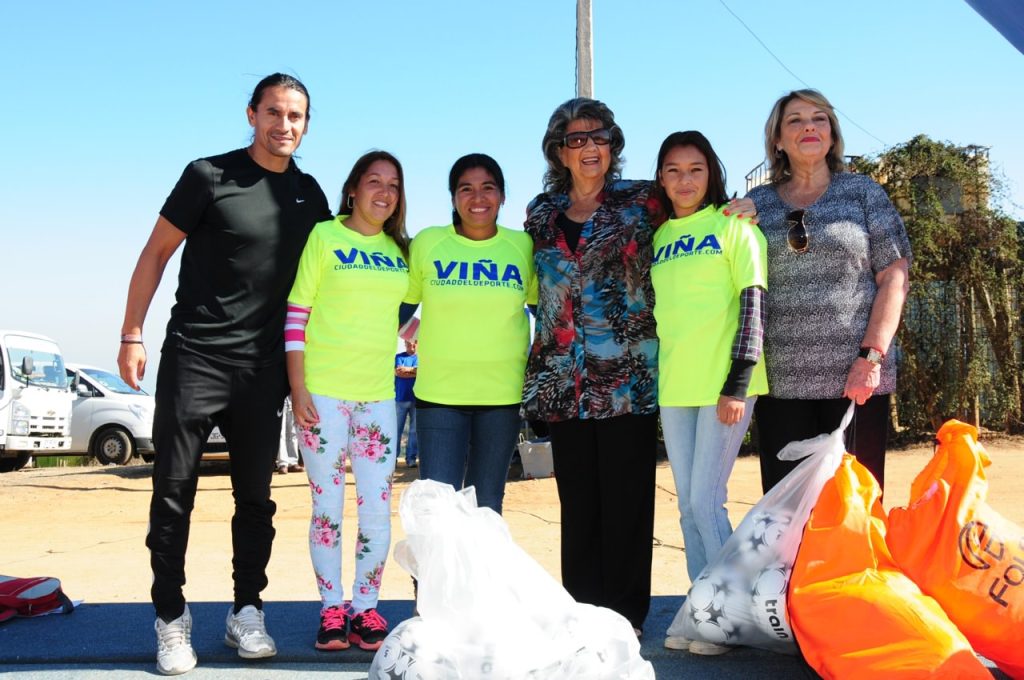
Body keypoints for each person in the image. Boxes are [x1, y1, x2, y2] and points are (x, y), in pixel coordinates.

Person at [117, 73, 330, 675]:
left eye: (295, 116)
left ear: (306, 124)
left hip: (264, 370)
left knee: (256, 500)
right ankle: (170, 617)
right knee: (173, 494)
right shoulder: (208, 175)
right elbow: (155, 253)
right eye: (273, 112)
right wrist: (132, 333)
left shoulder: (310, 194)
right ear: (251, 114)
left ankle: (247, 611)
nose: (284, 125)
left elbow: (329, 279)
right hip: (196, 356)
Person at [522, 98, 661, 637]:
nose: (588, 148)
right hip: (562, 382)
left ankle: (625, 617)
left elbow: (700, 207)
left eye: (598, 137)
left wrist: (738, 208)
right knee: (578, 505)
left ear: (613, 145)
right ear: (558, 151)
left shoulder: (644, 202)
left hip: (627, 378)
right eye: (575, 139)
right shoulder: (540, 212)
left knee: (627, 502)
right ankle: (582, 614)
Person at [747, 89, 911, 494]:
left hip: (856, 380)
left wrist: (871, 357)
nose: (809, 126)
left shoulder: (863, 193)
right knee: (786, 516)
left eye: (819, 118)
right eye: (795, 120)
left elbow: (894, 276)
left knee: (852, 510)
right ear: (777, 140)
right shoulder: (756, 203)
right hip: (780, 384)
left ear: (833, 134)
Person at [285, 150, 411, 653]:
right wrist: (298, 387)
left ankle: (366, 607)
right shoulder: (325, 236)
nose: (384, 192)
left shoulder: (400, 251)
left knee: (377, 510)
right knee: (327, 509)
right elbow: (297, 313)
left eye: (393, 185)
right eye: (374, 181)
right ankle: (331, 609)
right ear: (353, 189)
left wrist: (418, 332)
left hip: (378, 396)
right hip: (322, 394)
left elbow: (403, 315)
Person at [650, 131, 768, 655]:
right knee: (687, 507)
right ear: (661, 178)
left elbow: (753, 305)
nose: (685, 180)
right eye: (673, 170)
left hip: (725, 387)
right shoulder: (659, 237)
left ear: (711, 173)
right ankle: (703, 611)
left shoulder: (735, 227)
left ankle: (731, 616)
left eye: (695, 169)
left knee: (705, 500)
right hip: (676, 385)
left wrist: (737, 383)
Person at [404, 153, 537, 514]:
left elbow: (546, 313)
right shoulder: (428, 243)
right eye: (466, 189)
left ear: (502, 196)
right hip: (439, 396)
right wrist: (420, 334)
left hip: (502, 397)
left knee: (486, 507)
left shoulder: (523, 247)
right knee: (438, 509)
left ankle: (481, 559)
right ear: (453, 197)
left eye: (488, 188)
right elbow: (398, 309)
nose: (478, 198)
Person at [394, 339, 419, 468]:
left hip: (416, 399)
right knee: (396, 430)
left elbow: (420, 372)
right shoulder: (399, 357)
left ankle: (411, 458)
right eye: (409, 343)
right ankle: (393, 459)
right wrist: (413, 371)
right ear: (405, 343)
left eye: (414, 342)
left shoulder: (421, 358)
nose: (411, 345)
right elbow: (398, 372)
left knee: (414, 431)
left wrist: (407, 370)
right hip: (400, 398)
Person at [276, 396, 302, 474]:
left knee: (293, 431)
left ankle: (292, 462)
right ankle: (282, 463)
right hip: (278, 398)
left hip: (292, 398)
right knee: (280, 432)